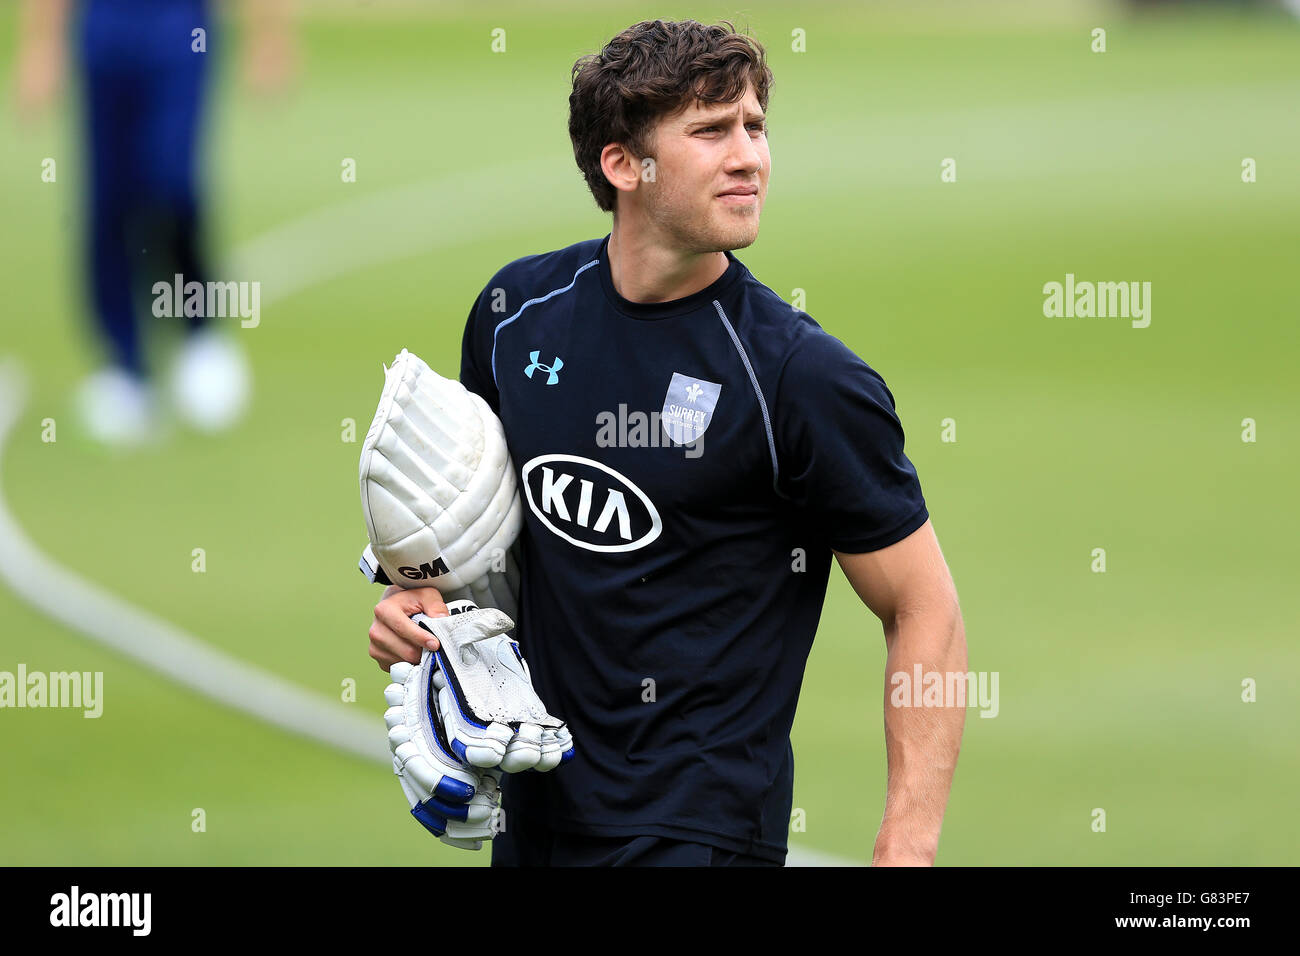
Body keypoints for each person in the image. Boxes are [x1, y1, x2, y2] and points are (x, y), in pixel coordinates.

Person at [367, 18, 967, 867]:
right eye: (712, 131)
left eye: (755, 127)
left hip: (700, 836)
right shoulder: (515, 316)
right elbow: (475, 540)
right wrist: (415, 610)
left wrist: (907, 842)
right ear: (623, 165)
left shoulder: (802, 379)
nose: (749, 157)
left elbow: (925, 608)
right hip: (533, 824)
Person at [14, 0, 295, 445]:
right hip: (104, 30)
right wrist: (42, 43)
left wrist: (268, 35)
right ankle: (125, 366)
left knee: (173, 184)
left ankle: (200, 333)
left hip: (179, 28)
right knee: (108, 200)